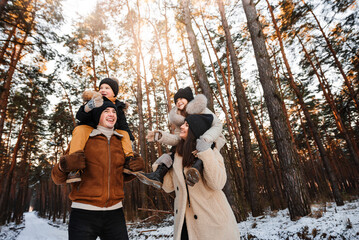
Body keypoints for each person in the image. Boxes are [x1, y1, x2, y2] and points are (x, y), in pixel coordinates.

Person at [51, 100, 145, 240]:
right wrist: (63, 166)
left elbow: (120, 177)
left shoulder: (121, 142)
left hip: (115, 214)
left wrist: (135, 169)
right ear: (97, 115)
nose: (111, 114)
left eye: (114, 111)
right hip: (83, 214)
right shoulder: (83, 139)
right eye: (106, 111)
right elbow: (57, 178)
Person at [161, 114, 240, 239]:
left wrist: (205, 153)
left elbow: (217, 183)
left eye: (186, 125)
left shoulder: (212, 152)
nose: (181, 126)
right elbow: (168, 187)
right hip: (185, 226)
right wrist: (160, 165)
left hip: (212, 225)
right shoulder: (177, 157)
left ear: (195, 130)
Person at [134, 87, 225, 188]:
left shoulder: (201, 108)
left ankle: (196, 170)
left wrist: (206, 138)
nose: (179, 102)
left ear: (189, 99)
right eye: (176, 100)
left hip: (211, 137)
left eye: (182, 98)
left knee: (205, 147)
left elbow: (217, 125)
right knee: (173, 152)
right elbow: (179, 139)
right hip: (190, 142)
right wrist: (161, 136)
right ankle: (158, 174)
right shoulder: (179, 119)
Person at [66, 77, 134, 183]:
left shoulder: (119, 107)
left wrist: (130, 140)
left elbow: (123, 125)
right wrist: (89, 106)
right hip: (91, 127)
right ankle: (75, 166)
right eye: (101, 88)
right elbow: (80, 116)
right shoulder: (96, 101)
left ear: (114, 93)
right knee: (80, 130)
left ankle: (129, 160)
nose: (103, 90)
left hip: (111, 129)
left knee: (124, 133)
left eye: (107, 88)